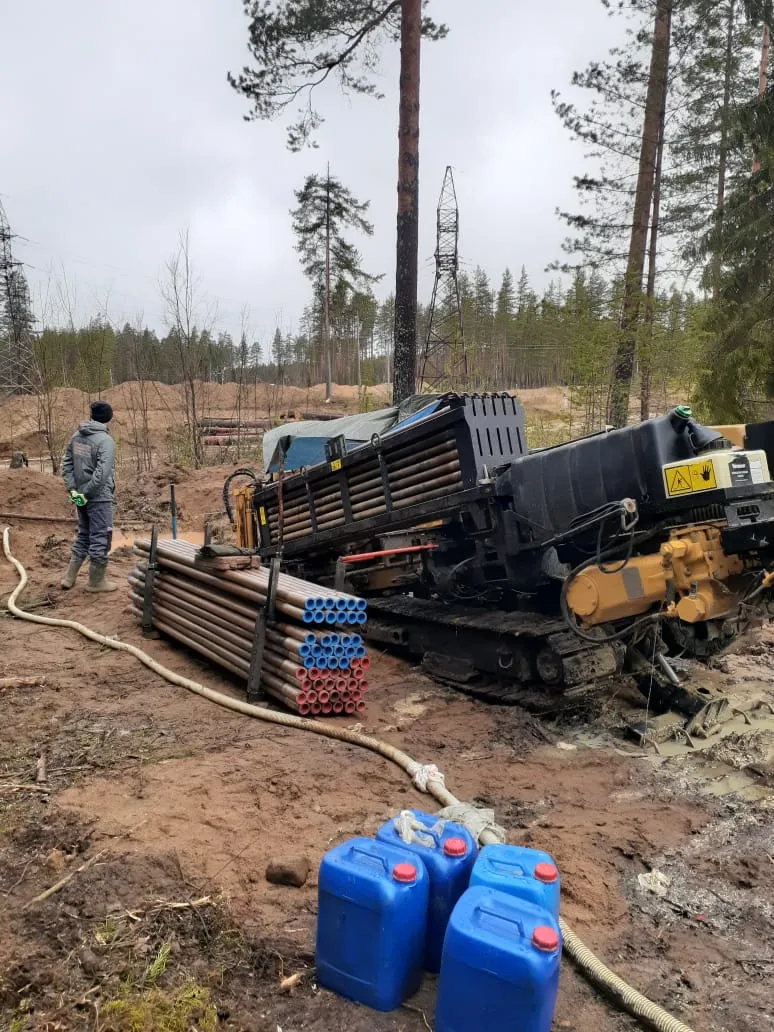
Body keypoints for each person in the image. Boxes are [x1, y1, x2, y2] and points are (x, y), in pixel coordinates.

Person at [60, 400, 118, 592]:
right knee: (101, 534)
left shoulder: (76, 436)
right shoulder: (105, 441)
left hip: (78, 495)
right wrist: (85, 493)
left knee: (83, 532)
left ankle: (69, 577)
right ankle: (96, 582)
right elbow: (101, 474)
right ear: (108, 417)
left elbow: (66, 464)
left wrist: (73, 490)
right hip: (97, 496)